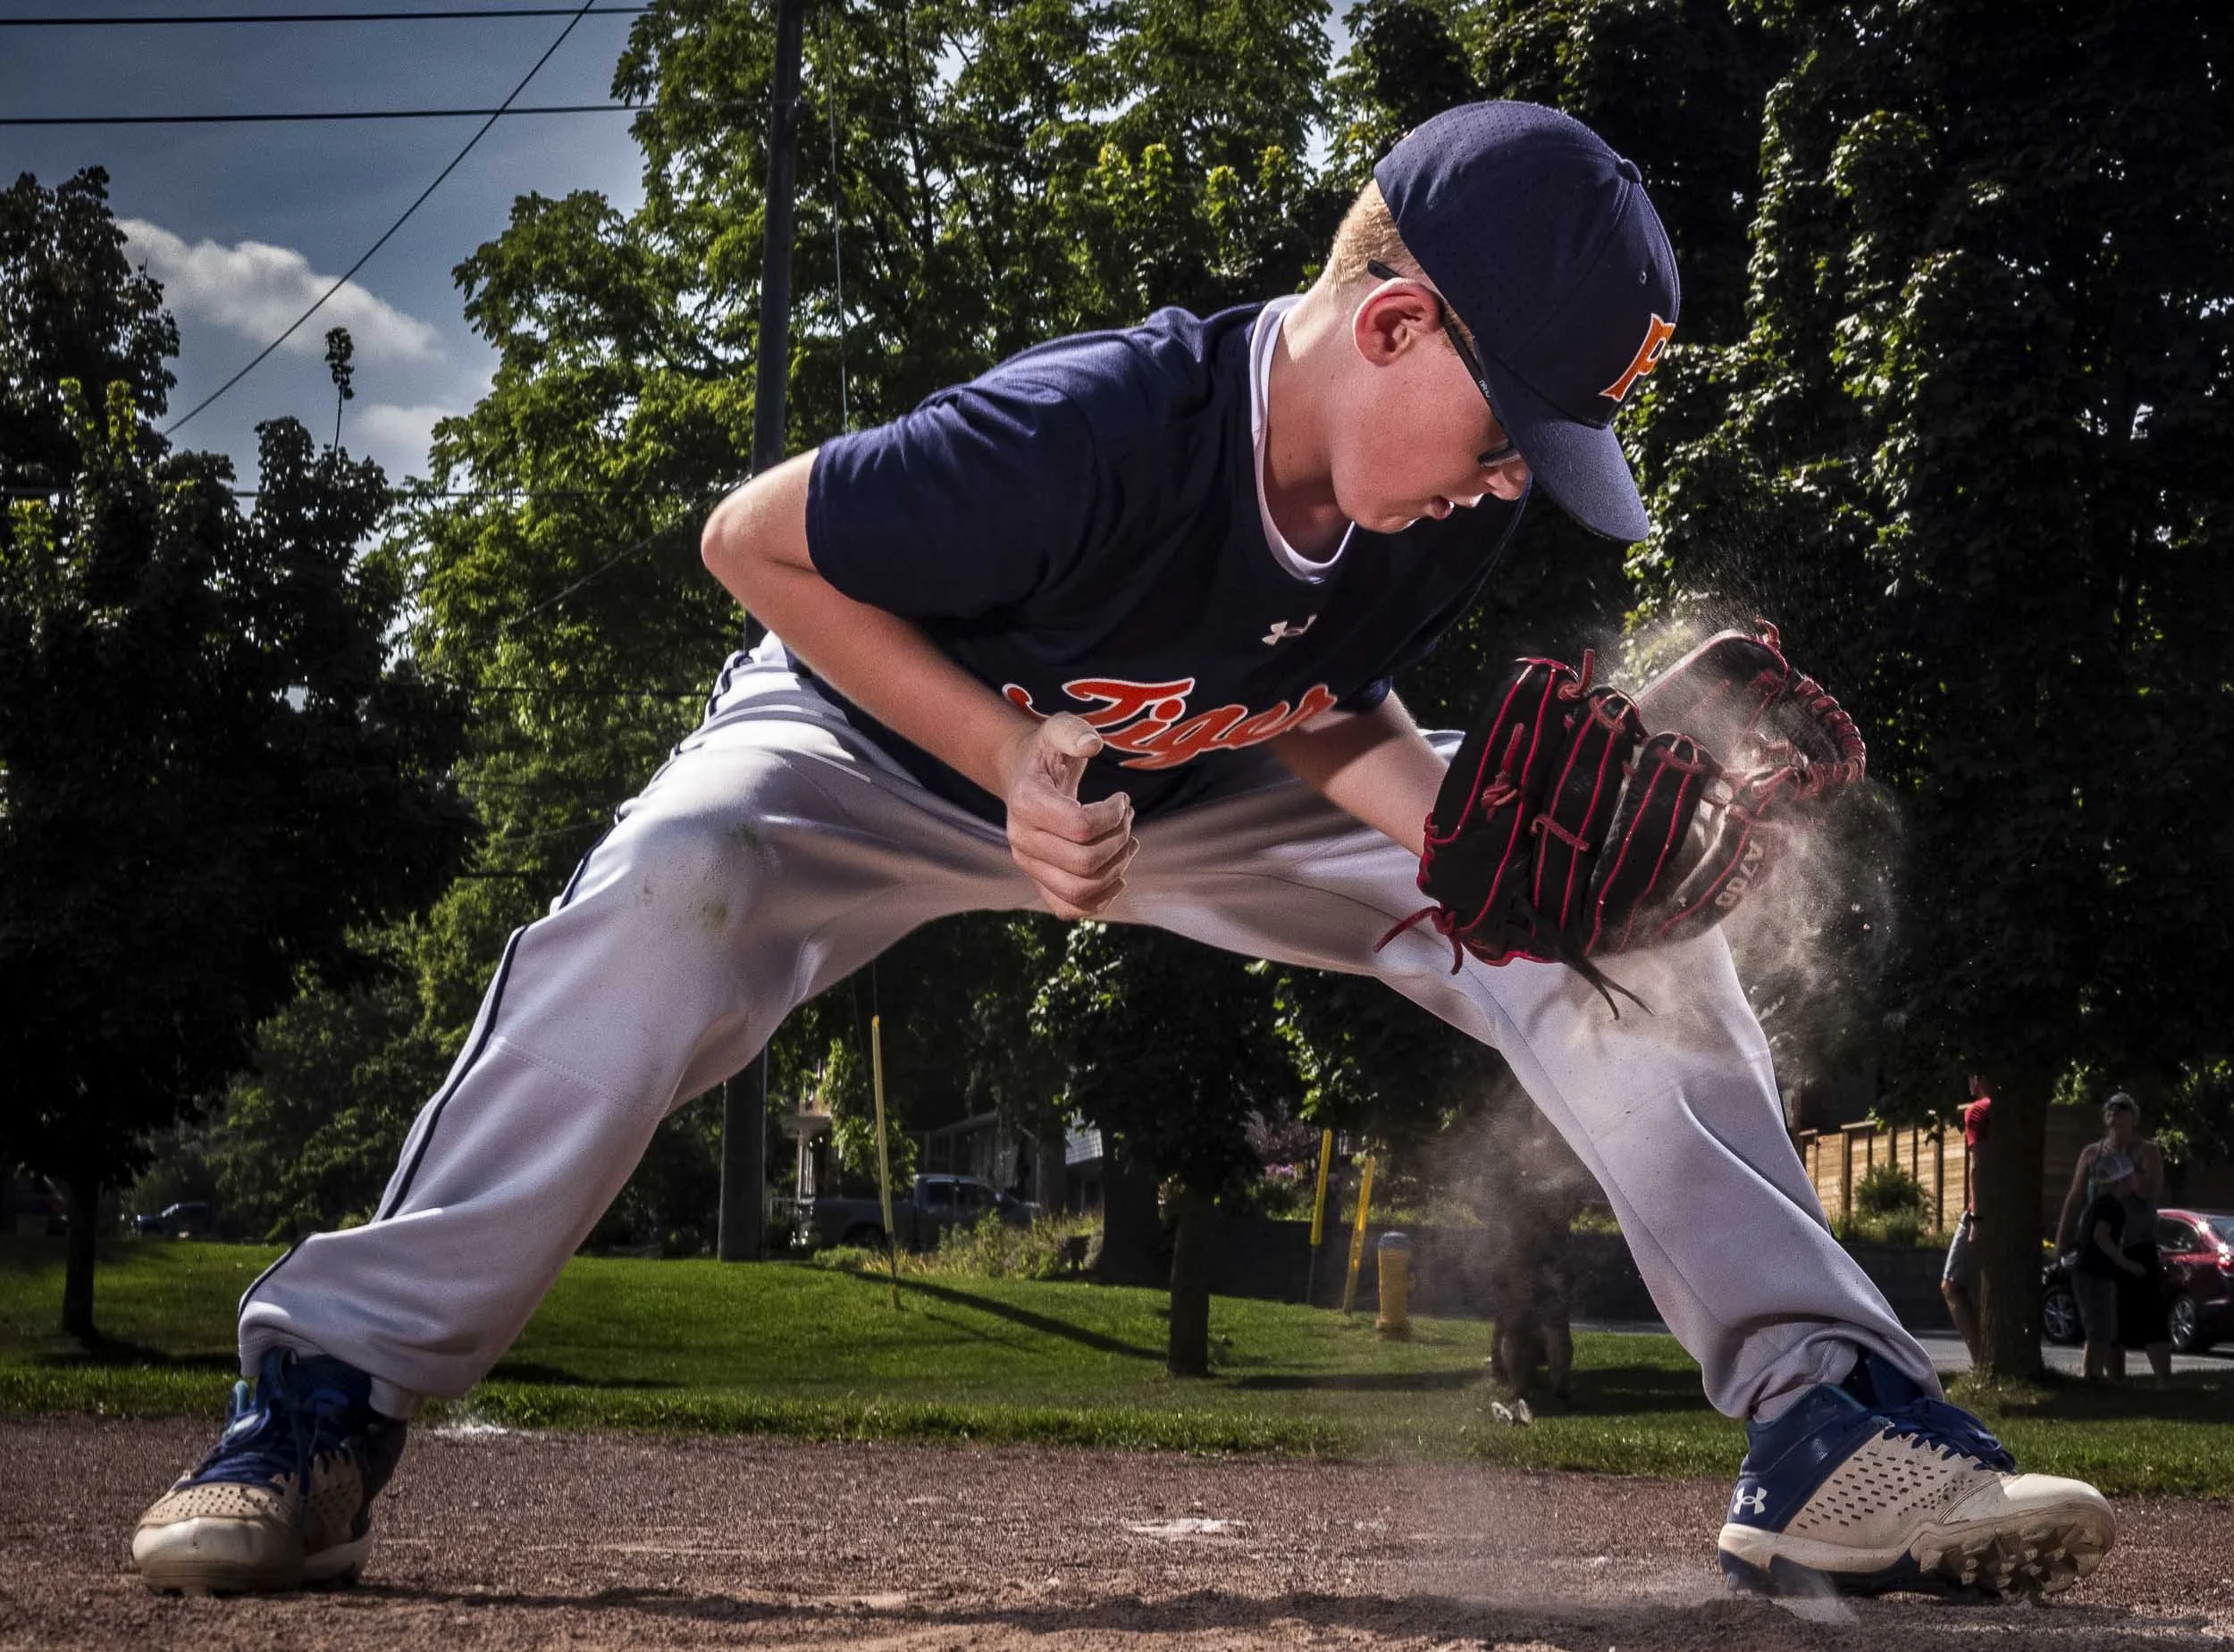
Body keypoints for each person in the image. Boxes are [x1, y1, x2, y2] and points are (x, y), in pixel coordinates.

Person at [130, 102, 2115, 1602]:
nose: (1517, 477)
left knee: (1604, 947)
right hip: (875, 736)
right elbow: (753, 542)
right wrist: (1001, 752)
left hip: (1214, 776)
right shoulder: (1087, 428)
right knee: (670, 896)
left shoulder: (1440, 503)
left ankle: (1820, 1433)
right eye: (1505, 425)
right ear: (1394, 322)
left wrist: (1468, 853)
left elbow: (1316, 692)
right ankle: (322, 1404)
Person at [2055, 1092, 2172, 1381]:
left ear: (2134, 1117)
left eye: (2123, 1108)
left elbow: (2152, 1191)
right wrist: (2063, 1239)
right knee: (2109, 1320)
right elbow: (2074, 1198)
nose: (2115, 1112)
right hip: (2098, 1246)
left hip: (2136, 1242)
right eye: (2110, 1107)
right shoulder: (2091, 1154)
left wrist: (2127, 1173)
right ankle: (2114, 1382)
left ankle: (2164, 1382)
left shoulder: (2146, 1151)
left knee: (2150, 1315)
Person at [1940, 1074, 1992, 1363]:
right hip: (2006, 1210)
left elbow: (1978, 1166)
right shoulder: (2009, 1111)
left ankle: (1981, 1362)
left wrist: (1976, 1218)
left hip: (1981, 1210)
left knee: (1951, 1285)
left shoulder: (1978, 1110)